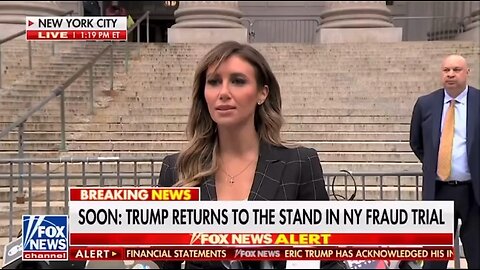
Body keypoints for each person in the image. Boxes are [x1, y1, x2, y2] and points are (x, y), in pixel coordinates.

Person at [157, 41, 332, 269]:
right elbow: (163, 262)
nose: (224, 93)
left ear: (262, 93)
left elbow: (327, 260)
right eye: (214, 82)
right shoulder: (177, 168)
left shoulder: (299, 163)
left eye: (238, 81)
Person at [409, 54, 480, 269]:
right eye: (446, 70)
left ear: (467, 72)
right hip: (438, 191)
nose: (450, 74)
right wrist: (434, 165)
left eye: (456, 69)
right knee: (433, 259)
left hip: (473, 193)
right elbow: (416, 142)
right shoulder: (425, 104)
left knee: (477, 256)